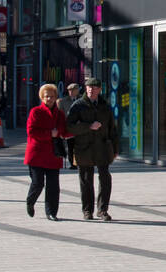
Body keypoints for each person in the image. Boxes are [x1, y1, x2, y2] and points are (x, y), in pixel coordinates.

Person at [67, 77, 118, 221]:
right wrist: (88, 126)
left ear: (99, 90)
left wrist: (115, 148)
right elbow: (70, 126)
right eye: (88, 87)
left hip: (102, 147)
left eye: (94, 87)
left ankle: (102, 210)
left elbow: (112, 128)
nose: (90, 90)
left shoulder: (105, 105)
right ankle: (87, 210)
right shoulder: (78, 105)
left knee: (105, 178)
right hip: (84, 147)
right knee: (86, 180)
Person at [25, 83, 69, 221]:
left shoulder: (60, 114)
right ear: (42, 98)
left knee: (53, 186)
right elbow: (31, 131)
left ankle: (51, 212)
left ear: (56, 97)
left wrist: (82, 130)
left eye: (52, 96)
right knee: (38, 183)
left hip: (53, 154)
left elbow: (64, 130)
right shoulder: (36, 112)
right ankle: (30, 201)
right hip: (37, 153)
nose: (49, 99)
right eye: (46, 96)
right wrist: (49, 134)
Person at [58, 83, 81, 169]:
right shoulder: (63, 101)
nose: (71, 92)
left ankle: (79, 162)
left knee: (78, 146)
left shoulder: (82, 99)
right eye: (69, 90)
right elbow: (60, 114)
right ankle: (73, 164)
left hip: (80, 127)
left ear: (77, 91)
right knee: (70, 146)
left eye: (73, 90)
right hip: (69, 127)